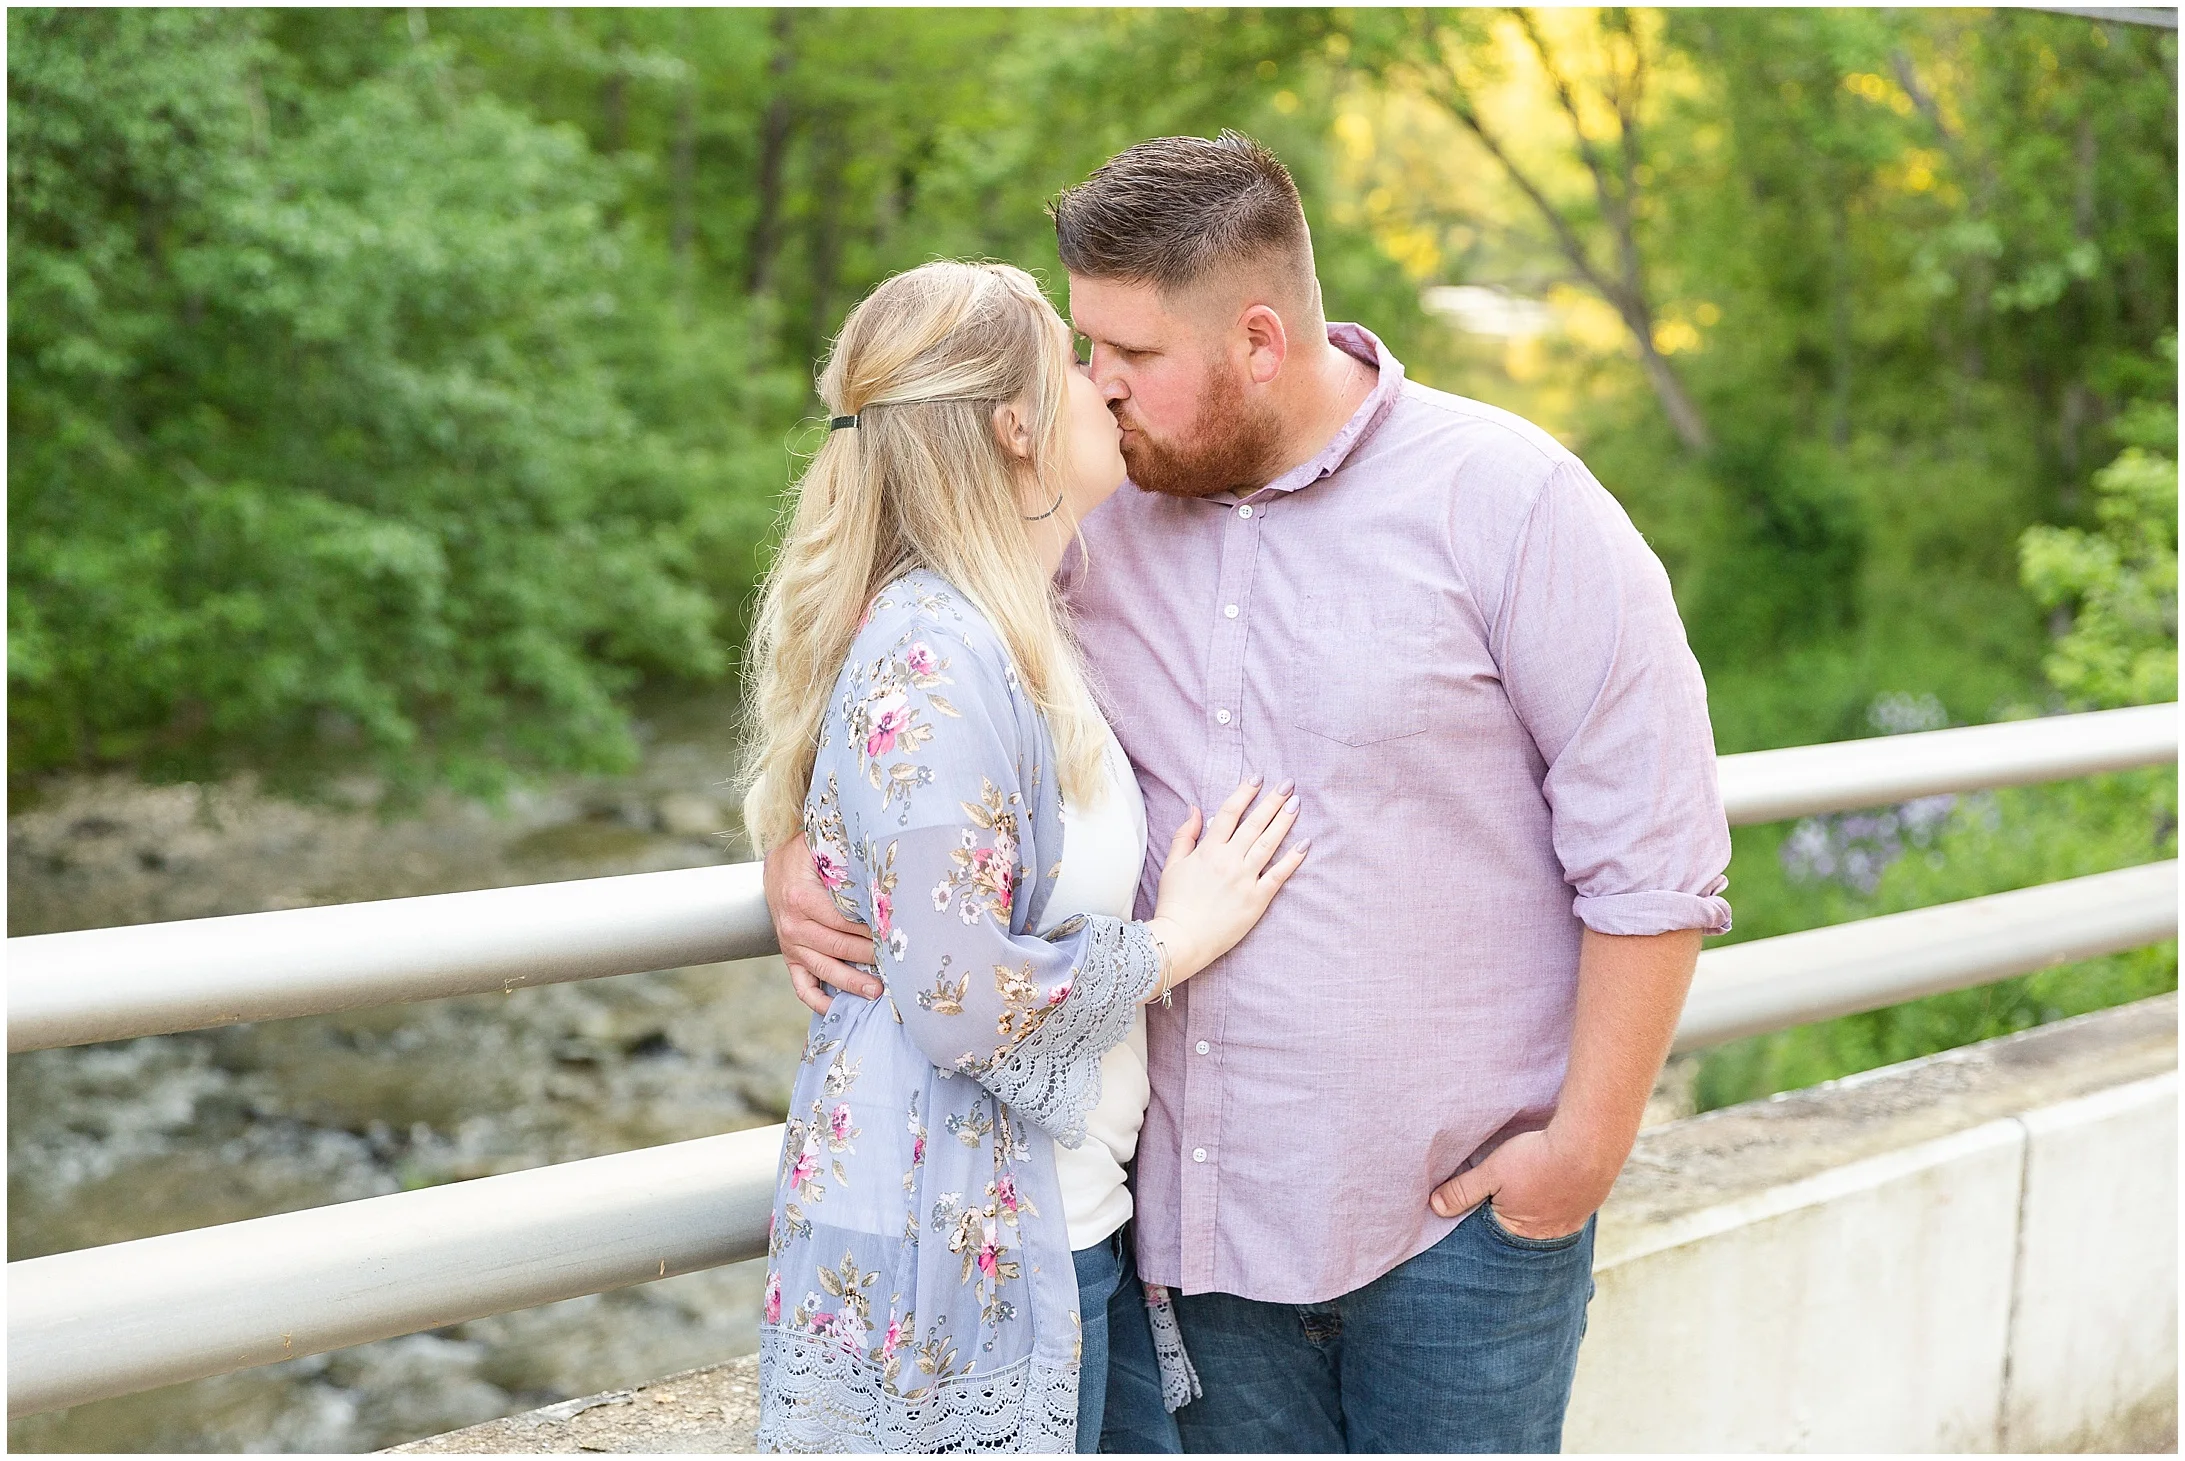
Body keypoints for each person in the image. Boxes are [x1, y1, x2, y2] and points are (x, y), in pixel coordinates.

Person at [766, 133, 1733, 1453]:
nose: (1097, 392)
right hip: (1192, 1244)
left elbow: (1654, 856)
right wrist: (794, 848)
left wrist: (1579, 1155)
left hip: (1456, 1237)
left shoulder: (1510, 503)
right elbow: (890, 657)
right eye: (1083, 354)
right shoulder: (1078, 519)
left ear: (1259, 341)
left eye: (1131, 359)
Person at [738, 259, 1307, 1453]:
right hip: (974, 1250)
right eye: (1069, 359)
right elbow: (955, 997)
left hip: (1069, 1228)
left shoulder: (1012, 620)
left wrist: (798, 838)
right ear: (1012, 426)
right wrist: (1175, 944)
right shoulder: (937, 655)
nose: (1103, 386)